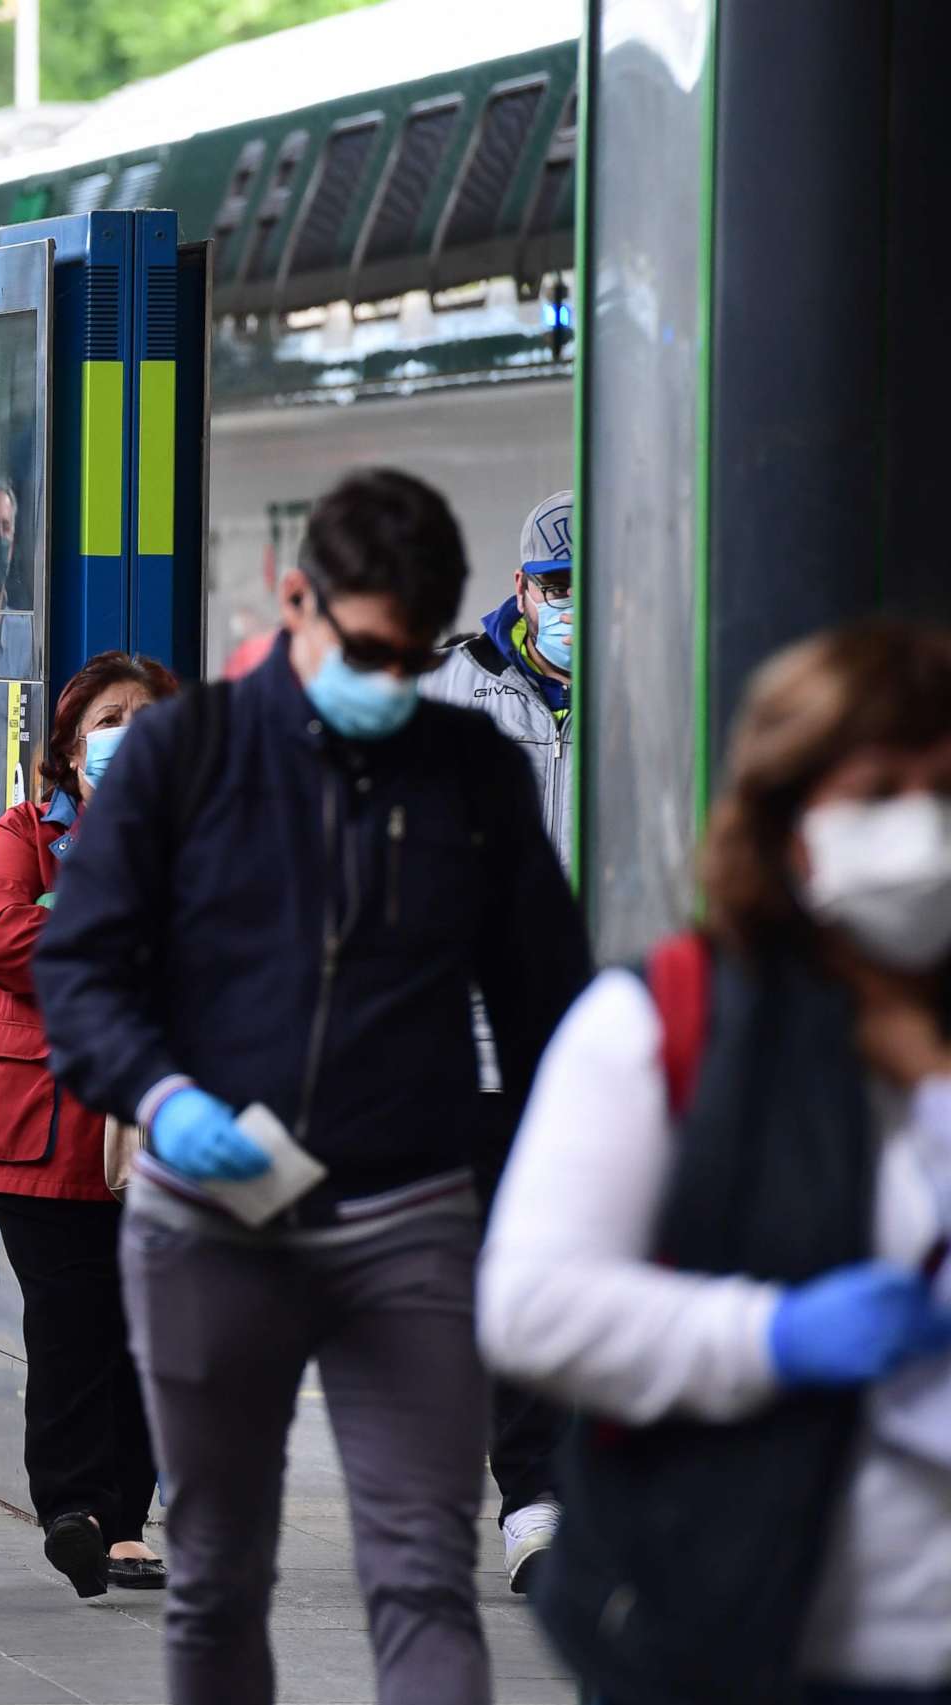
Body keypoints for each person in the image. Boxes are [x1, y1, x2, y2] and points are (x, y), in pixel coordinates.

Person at [33, 468, 590, 1705]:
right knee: (223, 1577)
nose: (385, 684)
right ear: (298, 600)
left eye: (408, 654)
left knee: (421, 1580)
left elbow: (547, 992)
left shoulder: (470, 766)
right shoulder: (184, 756)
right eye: (361, 647)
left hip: (407, 1217)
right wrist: (164, 1099)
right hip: (213, 1219)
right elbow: (82, 968)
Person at [479, 622, 951, 1705]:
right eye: (879, 792)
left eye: (945, 789)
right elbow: (531, 1306)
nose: (923, 830)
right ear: (788, 822)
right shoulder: (664, 1023)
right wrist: (768, 1338)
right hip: (744, 1653)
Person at [0, 650, 176, 1599]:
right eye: (106, 717)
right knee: (68, 1319)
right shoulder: (25, 832)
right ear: (71, 741)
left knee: (147, 1329)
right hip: (39, 1129)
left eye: (143, 715)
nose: (123, 731)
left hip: (159, 1126)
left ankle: (127, 1517)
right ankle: (76, 1508)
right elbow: (0, 942)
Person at [418, 486, 577, 1591]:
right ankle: (525, 1496)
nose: (572, 607)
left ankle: (564, 1495)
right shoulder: (446, 691)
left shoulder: (667, 668)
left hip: (612, 1042)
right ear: (520, 589)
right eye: (556, 588)